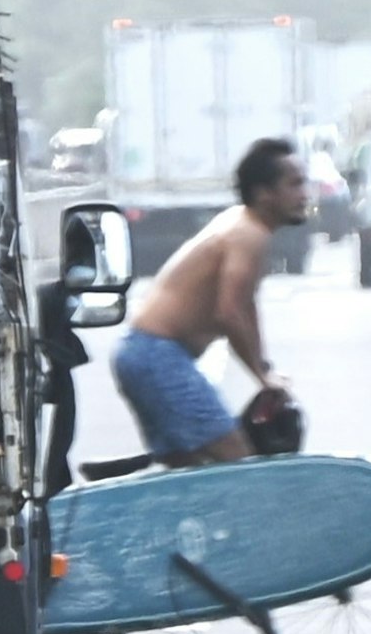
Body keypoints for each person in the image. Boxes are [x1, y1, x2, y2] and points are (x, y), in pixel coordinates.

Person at [114, 137, 308, 465]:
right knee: (235, 458)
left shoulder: (245, 226)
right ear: (264, 193)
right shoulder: (248, 234)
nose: (305, 194)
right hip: (156, 356)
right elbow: (229, 313)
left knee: (189, 467)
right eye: (294, 184)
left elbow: (247, 307)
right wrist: (262, 379)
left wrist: (264, 369)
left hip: (145, 353)